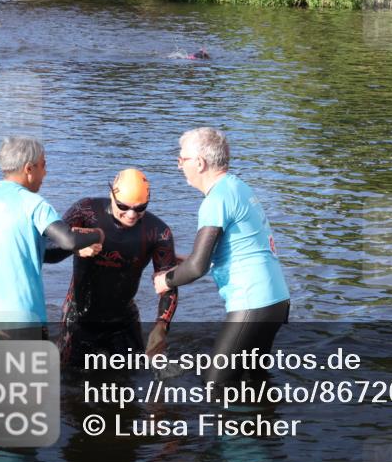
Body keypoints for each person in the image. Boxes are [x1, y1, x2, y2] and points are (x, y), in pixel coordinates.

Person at [154, 127, 290, 384]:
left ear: (200, 163)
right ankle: (264, 422)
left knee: (215, 384)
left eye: (181, 160)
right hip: (276, 300)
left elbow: (197, 267)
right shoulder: (237, 187)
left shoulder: (215, 200)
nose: (179, 166)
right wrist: (188, 259)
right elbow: (239, 247)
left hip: (252, 303)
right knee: (253, 379)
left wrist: (167, 280)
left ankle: (235, 422)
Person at [0, 136, 104, 330]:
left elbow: (26, 252)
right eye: (43, 165)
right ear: (29, 169)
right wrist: (97, 234)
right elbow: (68, 240)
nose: (45, 173)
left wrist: (77, 249)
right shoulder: (33, 204)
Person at [46, 169, 180, 366]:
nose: (131, 214)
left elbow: (168, 285)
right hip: (79, 317)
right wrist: (75, 247)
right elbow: (47, 252)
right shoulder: (86, 211)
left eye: (140, 207)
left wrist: (161, 326)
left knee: (134, 382)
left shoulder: (158, 232)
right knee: (68, 385)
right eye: (123, 206)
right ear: (112, 195)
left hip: (123, 320)